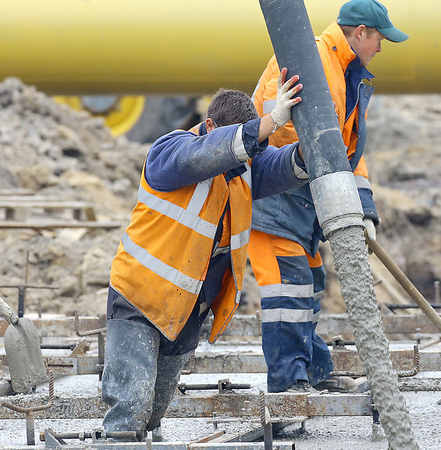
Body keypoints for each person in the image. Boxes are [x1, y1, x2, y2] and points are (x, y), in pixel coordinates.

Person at [101, 68, 307, 441]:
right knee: (128, 412)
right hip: (140, 295)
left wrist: (310, 152)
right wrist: (270, 120)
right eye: (242, 142)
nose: (244, 155)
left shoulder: (240, 170)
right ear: (210, 125)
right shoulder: (171, 150)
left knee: (152, 413)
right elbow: (203, 156)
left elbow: (277, 165)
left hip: (186, 306)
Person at [249, 0, 409, 393]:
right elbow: (281, 136)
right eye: (379, 39)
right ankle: (288, 388)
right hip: (273, 203)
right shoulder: (310, 60)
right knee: (289, 293)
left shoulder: (345, 73)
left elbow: (348, 152)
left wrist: (364, 210)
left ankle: (314, 374)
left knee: (309, 287)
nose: (381, 49)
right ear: (360, 33)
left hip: (302, 208)